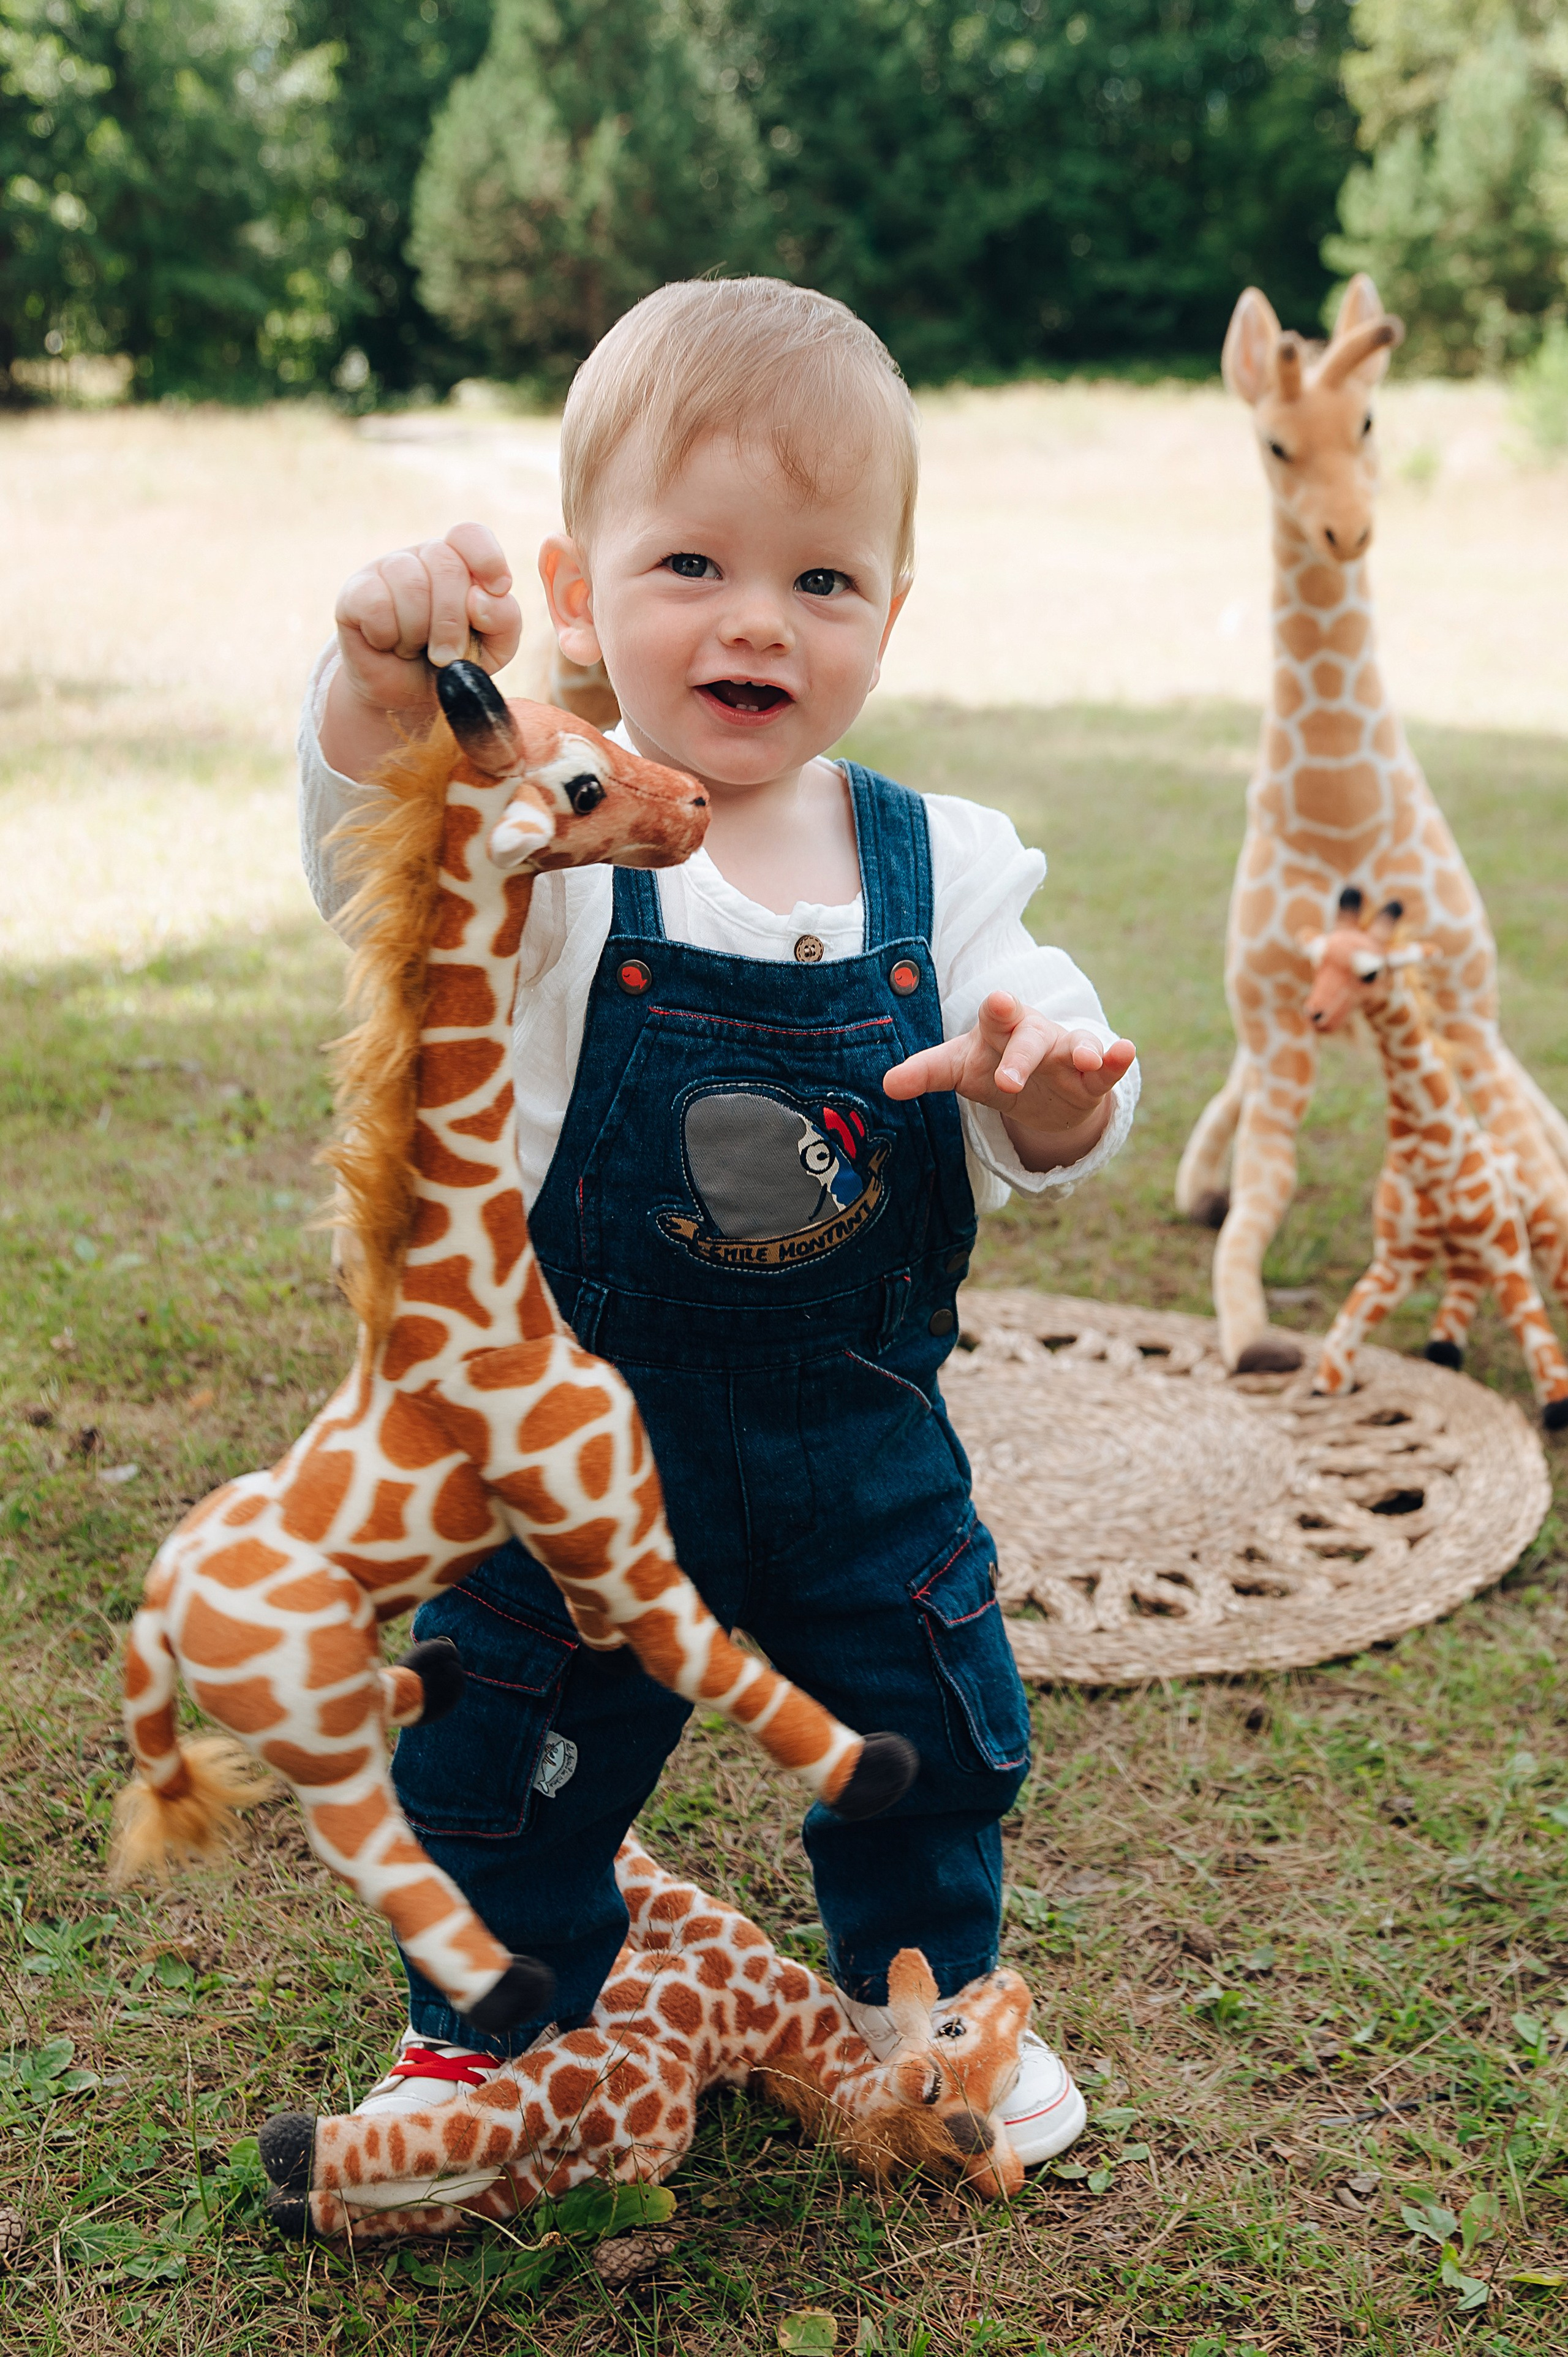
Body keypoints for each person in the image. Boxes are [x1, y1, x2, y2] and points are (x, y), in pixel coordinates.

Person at [296, 278, 1137, 2200]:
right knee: (501, 1741)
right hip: (583, 1446)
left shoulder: (950, 863)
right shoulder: (567, 830)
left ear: (891, 617)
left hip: (860, 1449)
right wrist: (371, 696)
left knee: (929, 1728)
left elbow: (1056, 1085)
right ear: (578, 594)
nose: (760, 617)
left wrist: (1051, 1083)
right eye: (693, 561)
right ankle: (484, 2030)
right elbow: (387, 866)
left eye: (825, 582)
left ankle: (922, 1998)